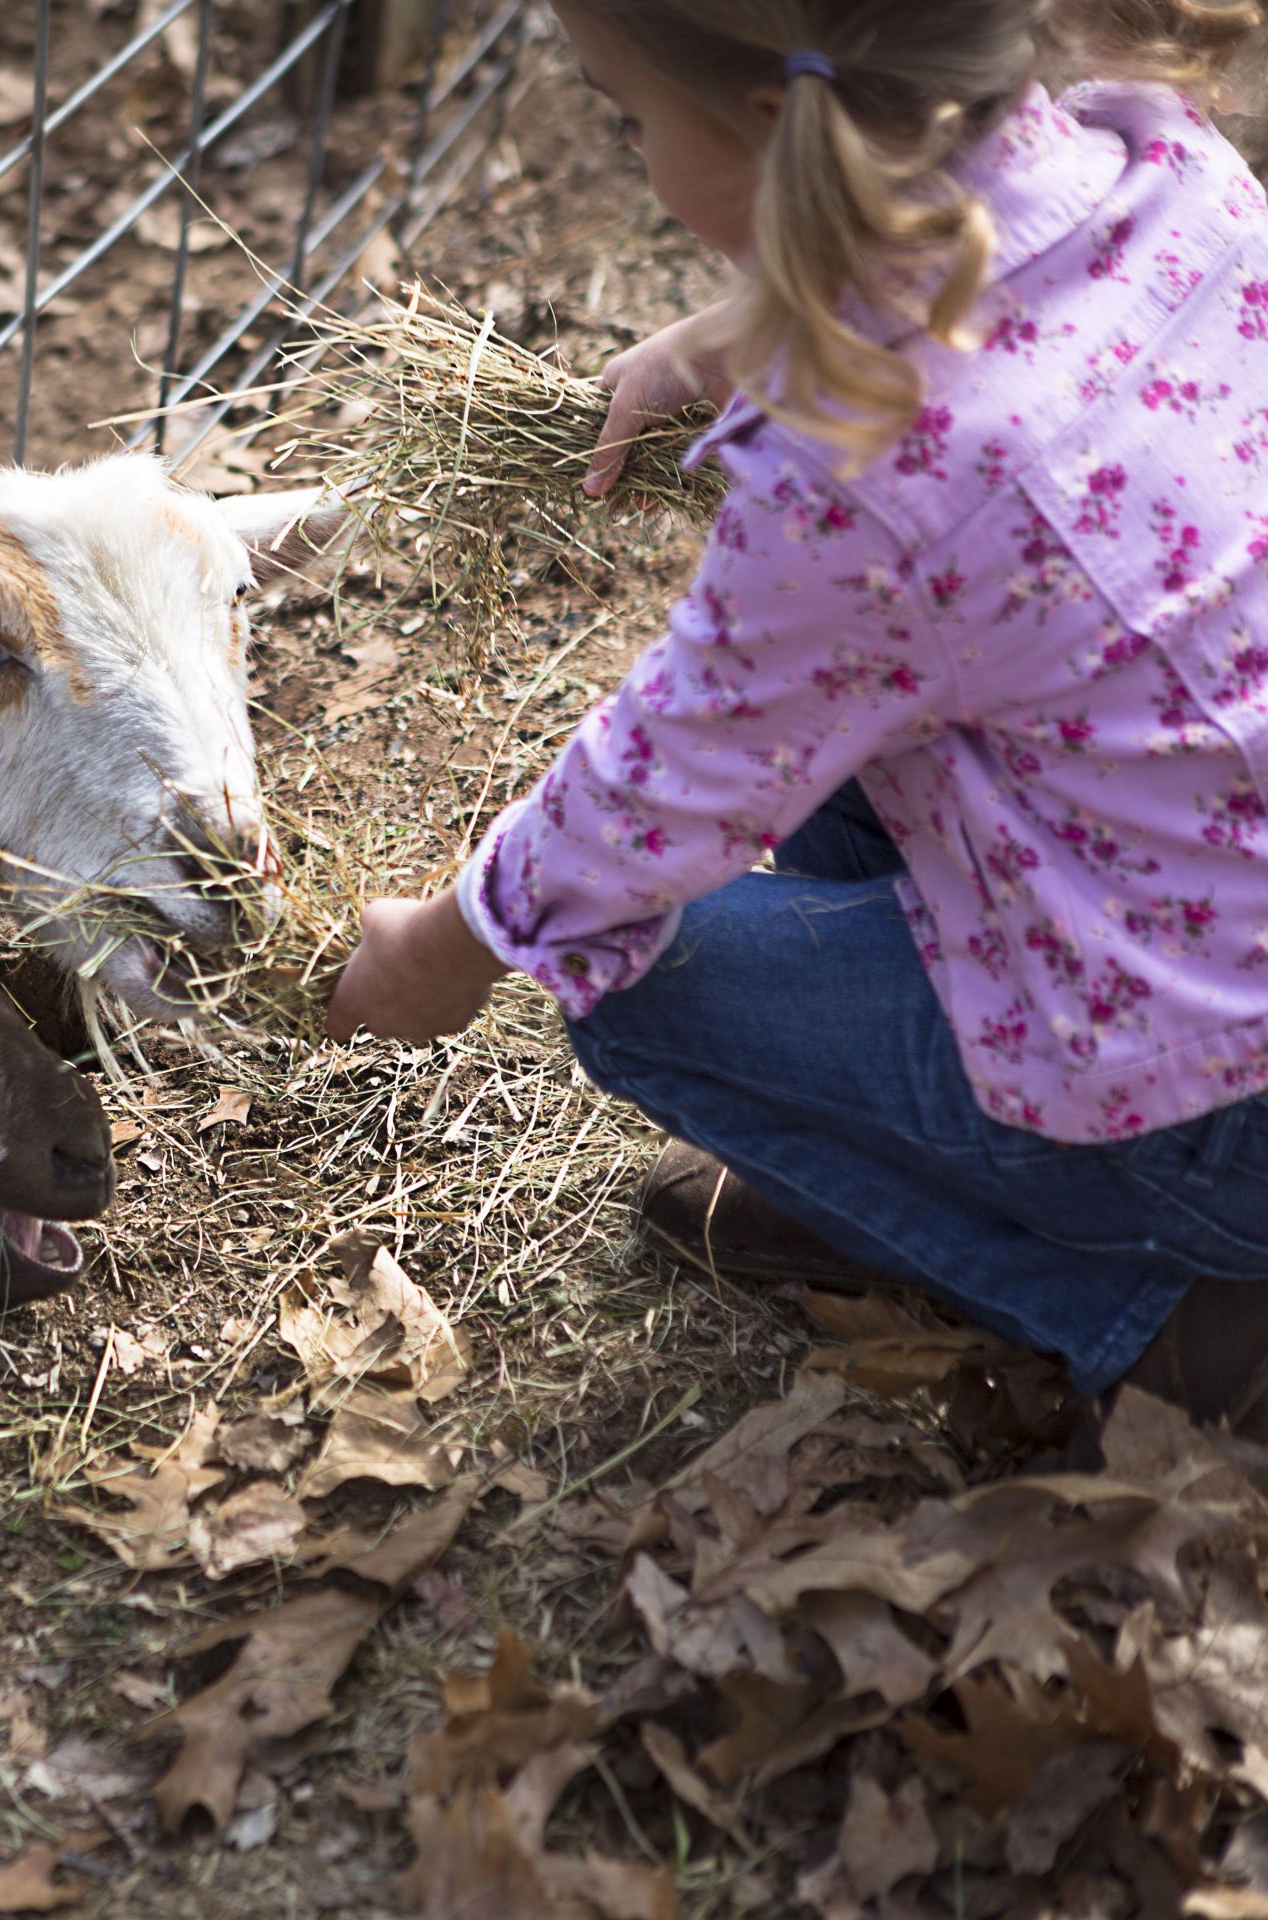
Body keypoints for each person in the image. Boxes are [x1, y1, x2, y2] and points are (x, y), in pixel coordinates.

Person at [325, 1, 1268, 1426]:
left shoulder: (866, 461)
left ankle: (1164, 1325)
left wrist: (446, 946)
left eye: (629, 120)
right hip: (1211, 908)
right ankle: (920, 1145)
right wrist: (749, 326)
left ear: (771, 129)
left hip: (1219, 1118)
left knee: (630, 982)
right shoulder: (1166, 162)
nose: (634, 152)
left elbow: (651, 795)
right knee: (859, 732)